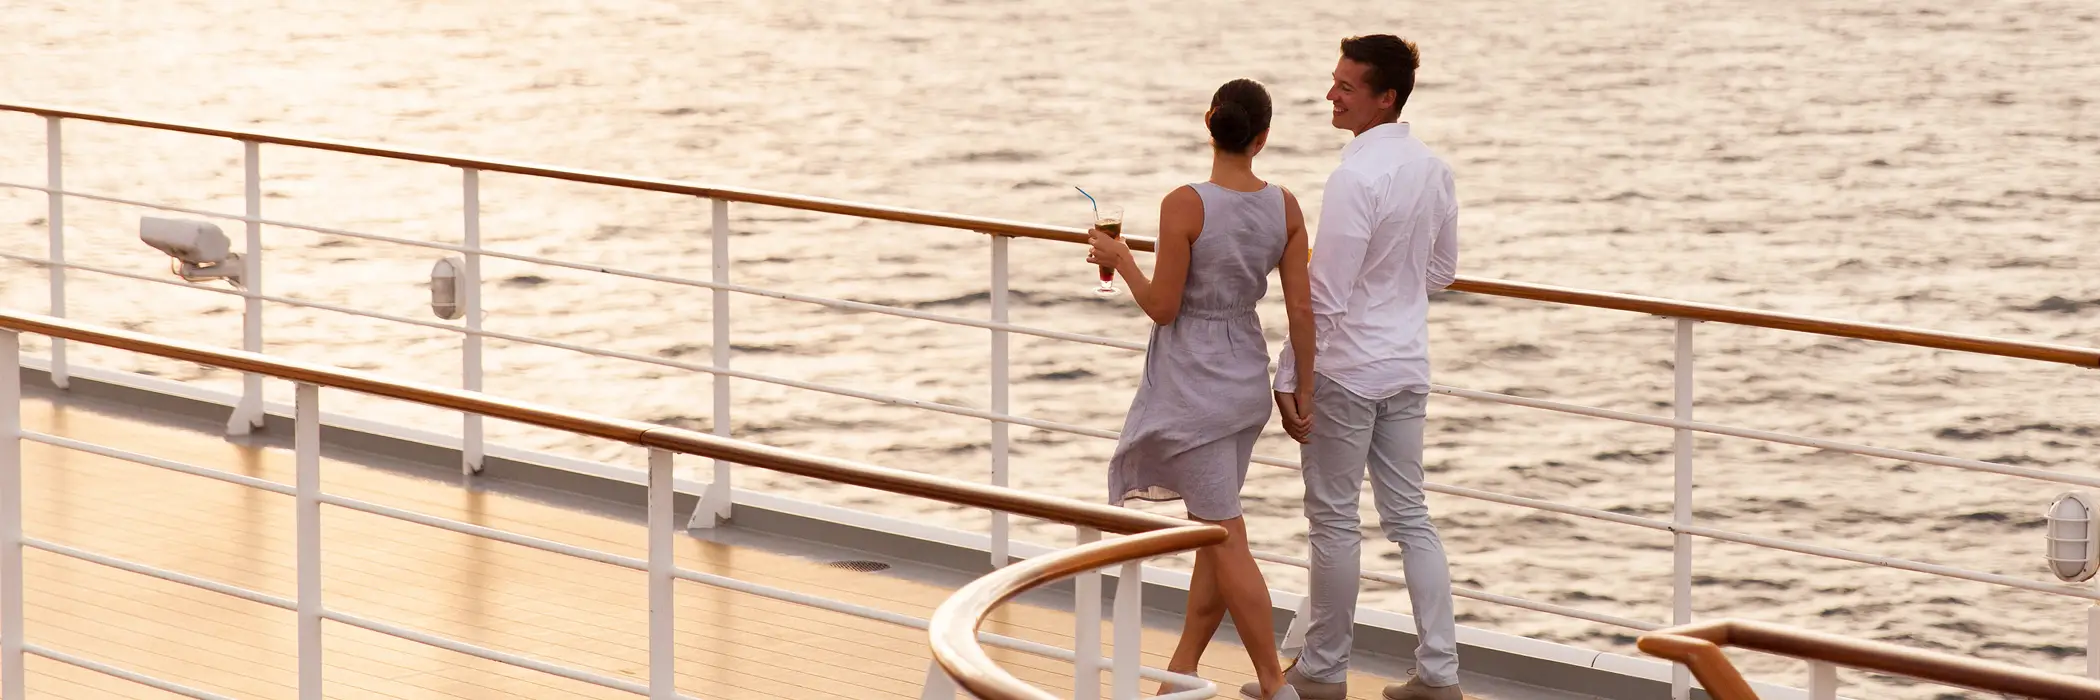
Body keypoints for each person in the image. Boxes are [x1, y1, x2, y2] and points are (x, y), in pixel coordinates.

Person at [1249, 34, 1463, 700]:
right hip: (1406, 365)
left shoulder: (1354, 177)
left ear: (1385, 98)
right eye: (1333, 81)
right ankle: (1440, 674)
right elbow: (1443, 272)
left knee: (1336, 521)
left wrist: (1289, 376)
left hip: (1346, 372)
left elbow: (1326, 296)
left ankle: (1322, 670)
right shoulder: (1433, 168)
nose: (1330, 95)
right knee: (1410, 518)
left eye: (1346, 87)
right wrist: (1393, 292)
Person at [1087, 77, 1316, 700]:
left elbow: (1163, 307)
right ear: (1262, 138)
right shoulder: (1286, 207)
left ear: (1209, 122)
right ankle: (1181, 671)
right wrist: (1303, 384)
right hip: (1245, 379)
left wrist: (1119, 254)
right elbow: (1301, 309)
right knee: (1212, 533)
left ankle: (1275, 684)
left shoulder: (1185, 203)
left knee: (1223, 537)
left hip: (1195, 387)